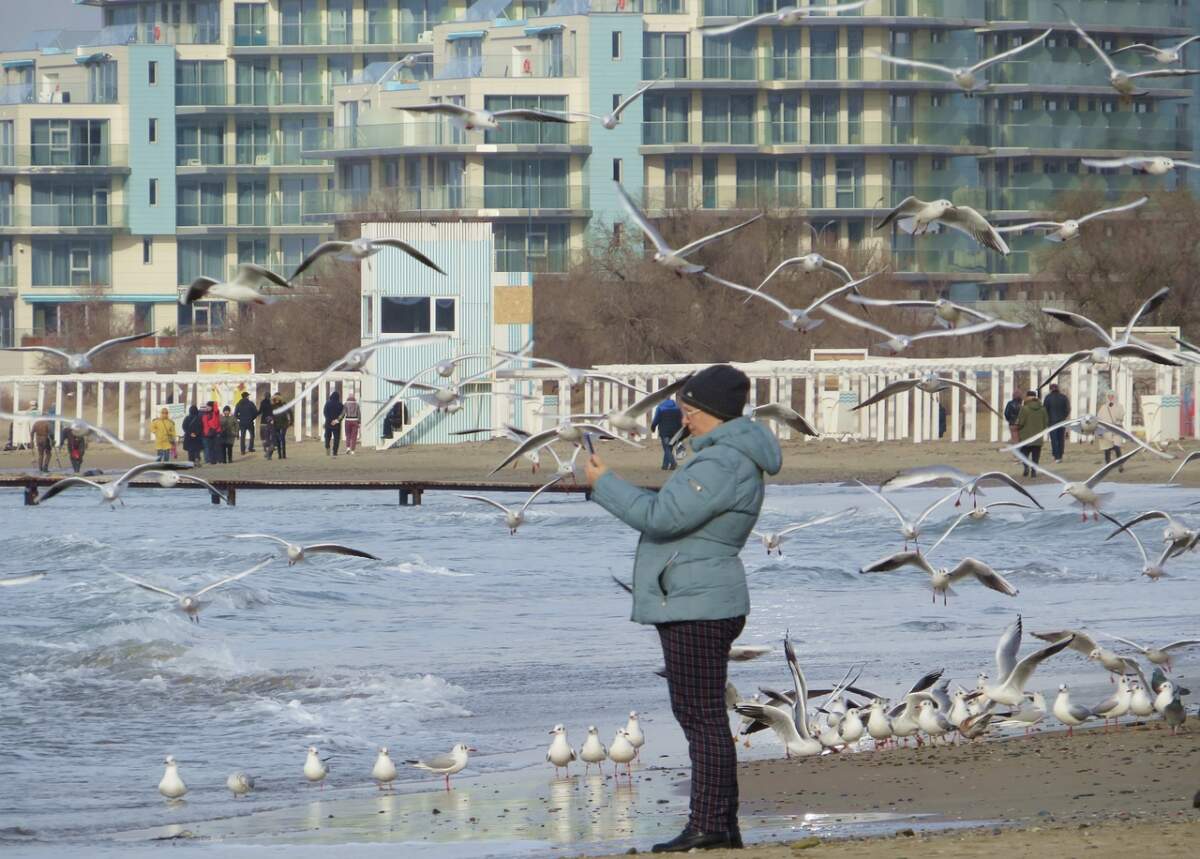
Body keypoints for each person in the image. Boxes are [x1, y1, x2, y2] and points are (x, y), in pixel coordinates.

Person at [584, 365, 782, 853]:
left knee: (700, 716)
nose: (683, 422)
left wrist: (602, 481)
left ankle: (710, 824)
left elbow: (661, 517)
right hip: (699, 596)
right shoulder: (722, 458)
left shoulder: (721, 463)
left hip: (699, 601)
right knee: (702, 713)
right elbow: (674, 514)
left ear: (711, 413)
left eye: (689, 412)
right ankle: (720, 824)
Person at [1016, 389, 1049, 478]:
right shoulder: (1043, 409)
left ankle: (1026, 467)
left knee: (1024, 454)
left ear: (1027, 397)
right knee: (1036, 456)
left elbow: (1021, 422)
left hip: (1026, 437)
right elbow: (1046, 423)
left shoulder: (1024, 409)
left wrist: (1017, 428)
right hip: (1038, 437)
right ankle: (1033, 471)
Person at [650, 397, 684, 470]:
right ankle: (665, 466)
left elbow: (656, 419)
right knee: (669, 448)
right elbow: (681, 419)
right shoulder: (677, 408)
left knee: (666, 448)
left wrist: (653, 427)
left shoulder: (660, 408)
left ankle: (673, 463)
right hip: (675, 431)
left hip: (664, 431)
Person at [1098, 390, 1127, 470]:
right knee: (1107, 449)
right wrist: (1099, 431)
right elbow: (1099, 419)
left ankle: (1120, 464)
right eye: (1109, 396)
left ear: (1115, 397)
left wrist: (1116, 413)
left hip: (1116, 429)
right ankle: (1107, 465)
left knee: (1117, 447)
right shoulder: (1103, 407)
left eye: (1112, 396)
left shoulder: (1119, 406)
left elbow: (1121, 417)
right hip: (1106, 431)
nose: (1110, 398)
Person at [1043, 383, 1071, 463]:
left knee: (1054, 439)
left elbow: (1045, 410)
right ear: (1057, 388)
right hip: (1061, 421)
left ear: (1051, 389)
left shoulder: (1048, 398)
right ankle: (1060, 455)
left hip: (1052, 422)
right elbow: (1068, 409)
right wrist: (1064, 416)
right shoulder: (1064, 397)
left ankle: (1056, 456)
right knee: (1061, 439)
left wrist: (1047, 419)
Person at [323, 390, 344, 456]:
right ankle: (335, 452)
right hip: (336, 424)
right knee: (336, 438)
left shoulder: (327, 403)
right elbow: (342, 414)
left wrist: (329, 419)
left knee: (327, 437)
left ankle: (327, 447)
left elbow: (325, 412)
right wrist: (336, 420)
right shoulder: (340, 405)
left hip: (328, 423)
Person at [271, 393, 290, 459]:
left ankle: (282, 455)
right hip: (277, 424)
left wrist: (291, 421)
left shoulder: (282, 405)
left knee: (281, 438)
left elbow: (289, 412)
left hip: (282, 423)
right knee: (280, 439)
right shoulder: (273, 406)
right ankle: (281, 455)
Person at [258, 393, 276, 460]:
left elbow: (260, 411)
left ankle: (266, 450)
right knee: (272, 439)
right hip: (271, 422)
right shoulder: (272, 404)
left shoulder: (262, 403)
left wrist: (254, 414)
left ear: (264, 396)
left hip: (263, 422)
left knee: (264, 438)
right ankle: (268, 453)